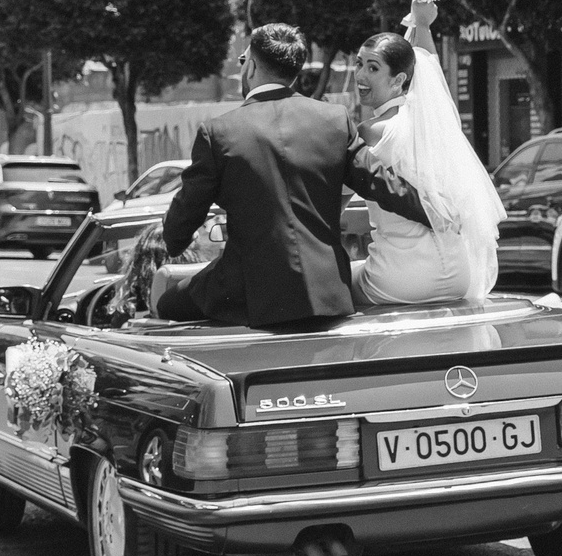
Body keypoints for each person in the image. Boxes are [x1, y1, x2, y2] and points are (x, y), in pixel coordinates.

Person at [155, 22, 430, 327]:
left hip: (250, 293)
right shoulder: (334, 120)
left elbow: (187, 211)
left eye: (243, 61)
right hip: (329, 291)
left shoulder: (218, 132)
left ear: (252, 68)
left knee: (166, 301)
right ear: (295, 71)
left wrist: (172, 241)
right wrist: (438, 214)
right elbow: (382, 184)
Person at [347, 0, 504, 305]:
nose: (360, 75)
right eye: (359, 63)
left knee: (335, 281)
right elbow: (429, 65)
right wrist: (423, 25)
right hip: (461, 275)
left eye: (372, 67)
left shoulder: (371, 131)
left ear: (399, 80)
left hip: (400, 278)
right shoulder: (438, 126)